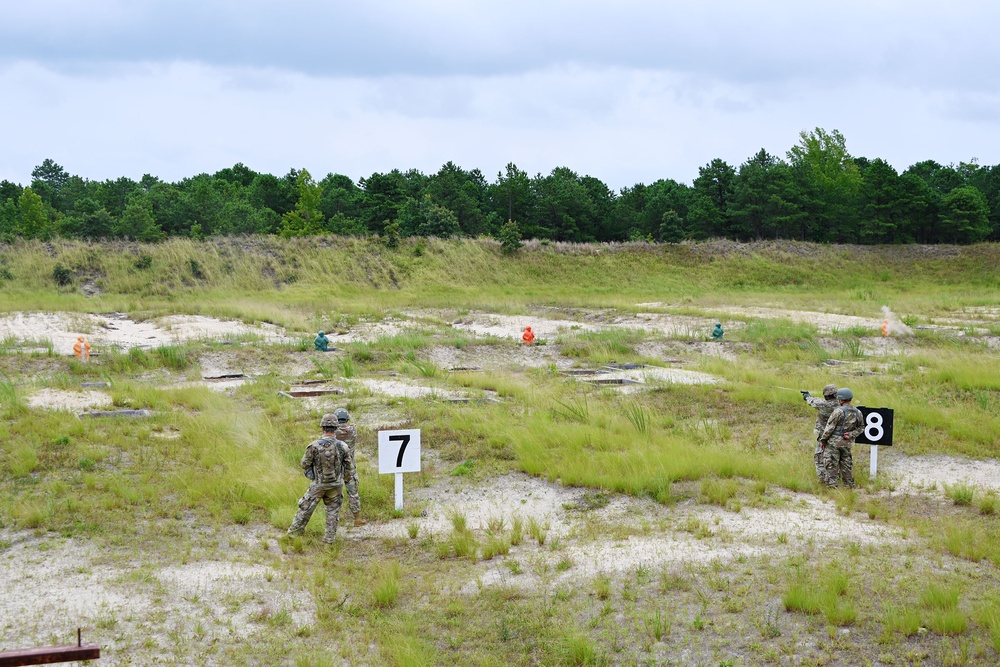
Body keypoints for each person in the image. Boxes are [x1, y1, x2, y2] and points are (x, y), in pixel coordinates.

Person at [287, 413, 356, 543]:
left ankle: (293, 534)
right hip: (336, 486)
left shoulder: (313, 446)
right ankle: (329, 540)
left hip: (318, 485)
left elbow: (304, 464)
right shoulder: (343, 446)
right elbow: (350, 467)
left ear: (323, 428)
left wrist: (312, 474)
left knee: (305, 508)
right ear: (336, 428)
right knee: (332, 513)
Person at [819, 388, 865, 488]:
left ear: (841, 400)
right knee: (846, 465)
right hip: (847, 443)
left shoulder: (838, 412)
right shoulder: (858, 412)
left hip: (833, 443)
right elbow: (861, 427)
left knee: (831, 464)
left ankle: (832, 486)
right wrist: (851, 434)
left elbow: (829, 428)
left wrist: (823, 440)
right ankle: (848, 486)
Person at [333, 407, 367, 527]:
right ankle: (357, 518)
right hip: (349, 466)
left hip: (335, 468)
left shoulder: (333, 432)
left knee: (334, 494)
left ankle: (334, 519)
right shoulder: (352, 430)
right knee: (353, 493)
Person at [803, 384, 839, 482]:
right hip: (840, 438)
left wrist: (808, 397)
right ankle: (835, 479)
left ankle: (824, 480)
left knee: (820, 459)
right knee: (836, 459)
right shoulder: (842, 405)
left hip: (825, 438)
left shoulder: (824, 405)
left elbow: (815, 402)